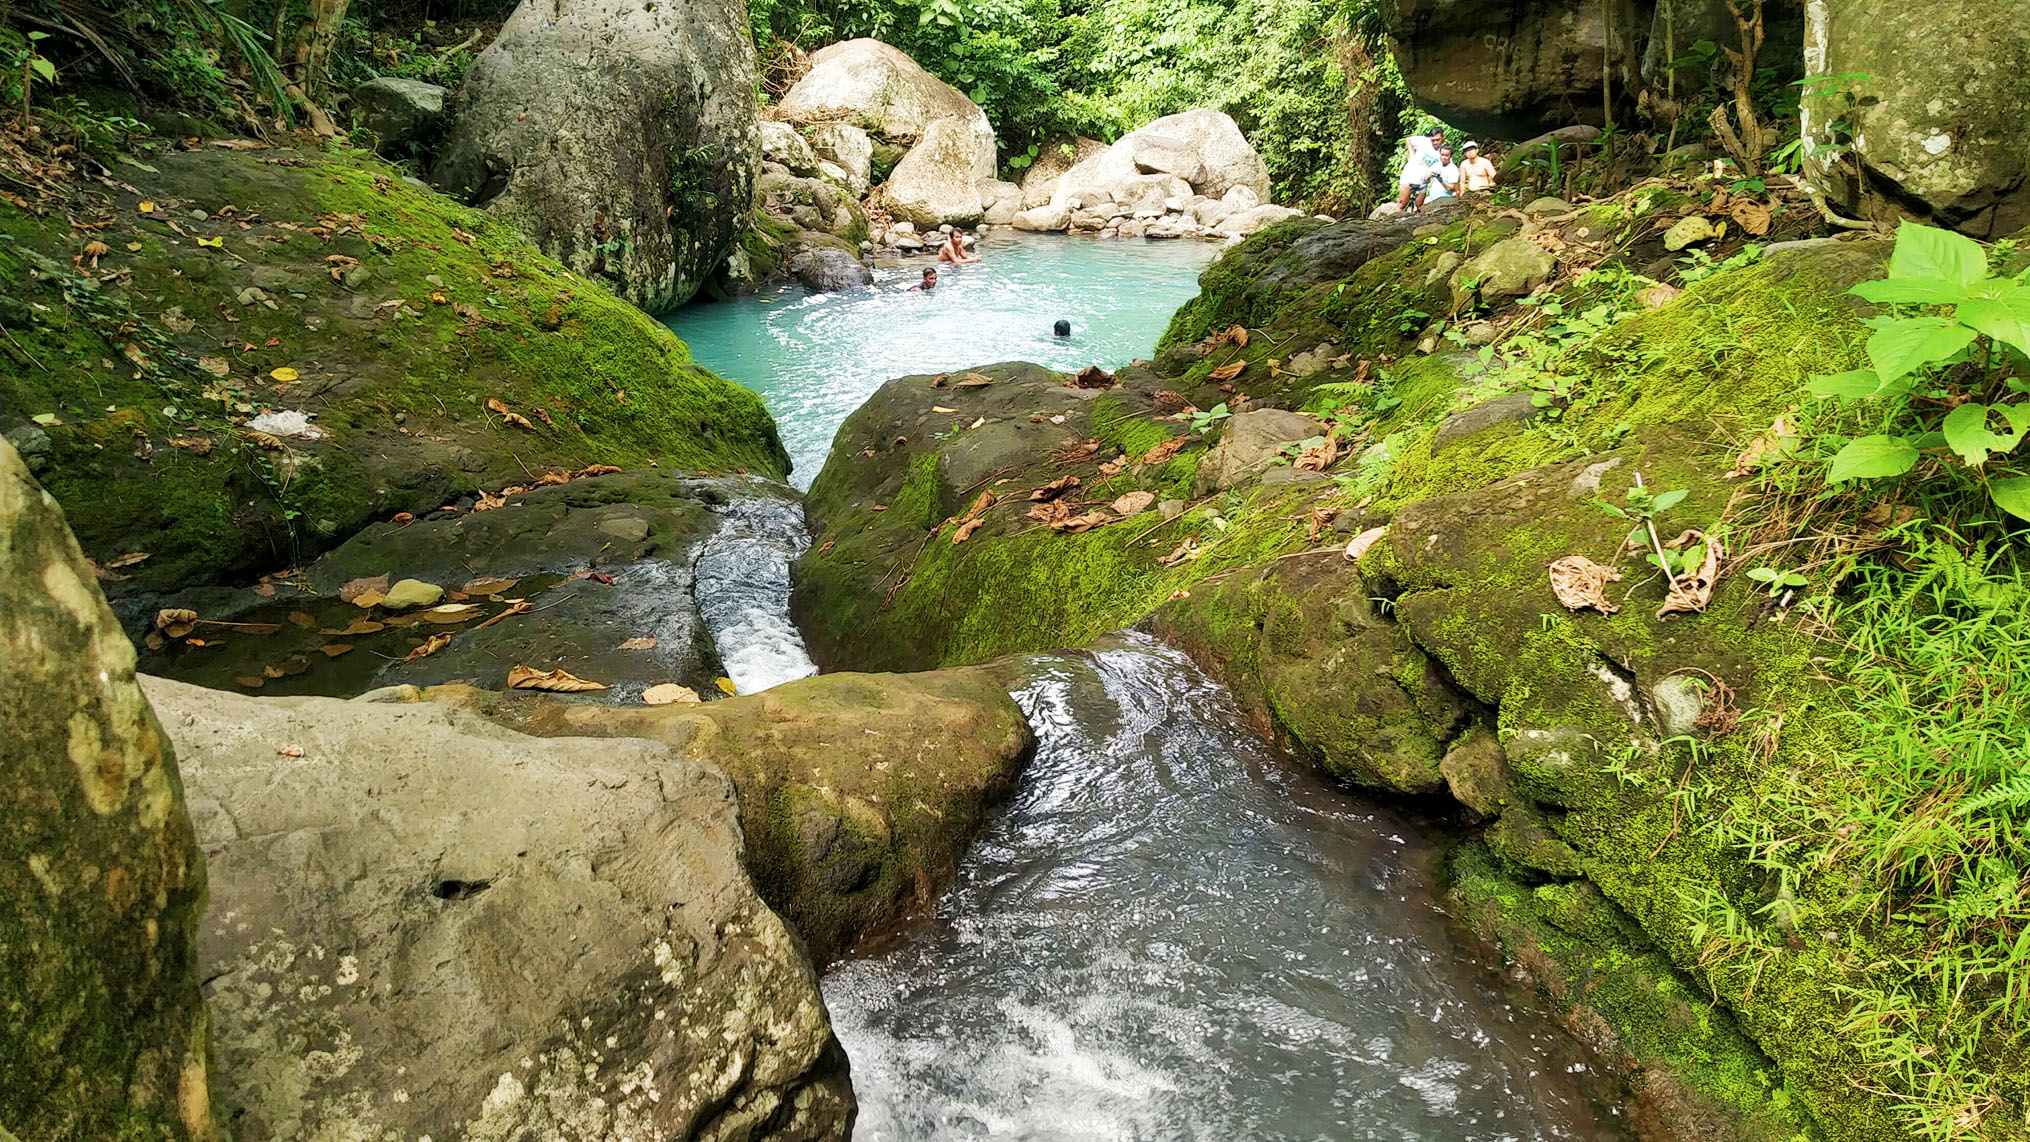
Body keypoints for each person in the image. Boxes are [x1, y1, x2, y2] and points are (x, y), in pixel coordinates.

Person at [1395, 128, 1446, 210]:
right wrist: (1411, 154)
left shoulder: (1444, 151)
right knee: (1402, 203)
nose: (1435, 142)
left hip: (1423, 181)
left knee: (1419, 207)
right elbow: (1408, 140)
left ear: (1443, 138)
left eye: (1437, 140)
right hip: (1409, 175)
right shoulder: (1423, 141)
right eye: (1433, 140)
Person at [1419, 145, 1461, 209]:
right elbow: (1426, 181)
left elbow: (1452, 188)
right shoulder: (1436, 165)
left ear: (1451, 156)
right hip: (1432, 198)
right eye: (1442, 155)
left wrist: (1441, 181)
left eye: (1446, 155)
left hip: (1445, 201)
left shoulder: (1453, 169)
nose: (1443, 157)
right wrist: (1429, 176)